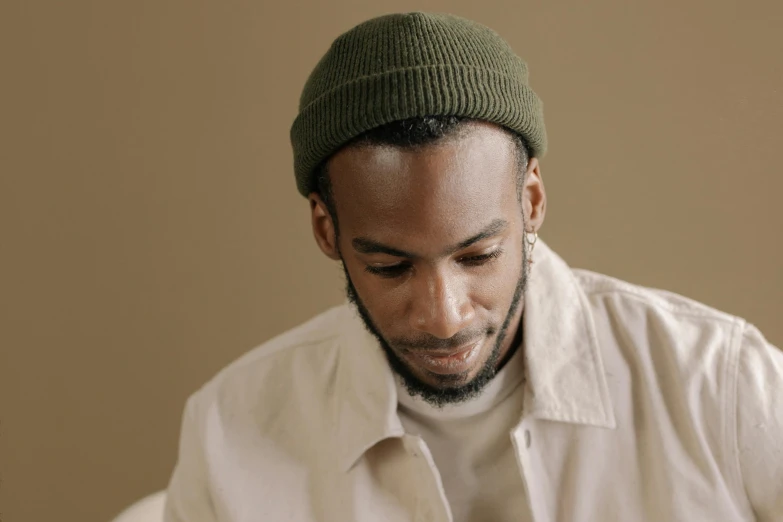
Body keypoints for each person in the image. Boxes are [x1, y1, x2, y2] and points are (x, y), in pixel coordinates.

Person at [163, 12, 783, 522]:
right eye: (389, 266)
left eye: (478, 256)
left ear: (532, 201)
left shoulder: (722, 386)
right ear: (327, 229)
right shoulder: (230, 429)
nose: (443, 315)